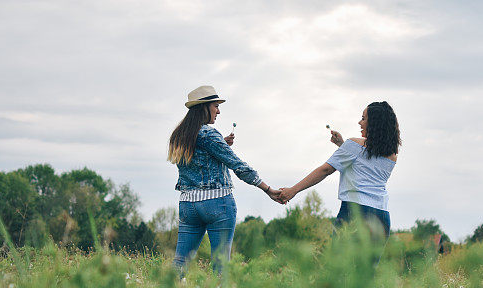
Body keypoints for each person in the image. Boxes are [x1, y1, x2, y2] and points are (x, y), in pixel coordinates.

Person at [167, 85, 282, 274]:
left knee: (180, 263)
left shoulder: (179, 135)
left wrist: (221, 144)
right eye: (215, 106)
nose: (218, 111)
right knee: (221, 266)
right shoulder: (208, 134)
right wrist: (268, 189)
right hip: (217, 203)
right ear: (204, 107)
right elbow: (238, 165)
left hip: (188, 205)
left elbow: (198, 160)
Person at [277, 101, 400, 237]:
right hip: (381, 217)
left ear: (375, 123)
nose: (359, 122)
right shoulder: (392, 156)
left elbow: (325, 170)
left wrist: (292, 191)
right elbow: (365, 162)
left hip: (356, 212)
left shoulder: (354, 145)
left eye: (364, 119)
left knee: (341, 258)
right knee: (366, 259)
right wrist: (342, 145)